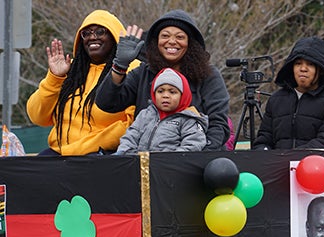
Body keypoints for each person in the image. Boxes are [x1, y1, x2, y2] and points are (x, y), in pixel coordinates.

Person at [95, 9, 230, 151]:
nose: (172, 41)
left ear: (190, 43)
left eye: (180, 37)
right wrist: (119, 66)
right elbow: (106, 103)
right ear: (156, 42)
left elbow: (219, 124)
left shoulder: (208, 75)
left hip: (195, 156)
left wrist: (197, 156)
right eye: (165, 36)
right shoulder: (143, 73)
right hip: (149, 160)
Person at [26, 10, 139, 155]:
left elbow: (131, 125)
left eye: (100, 32)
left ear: (114, 36)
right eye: (86, 33)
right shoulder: (71, 69)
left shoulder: (131, 68)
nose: (92, 37)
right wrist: (55, 78)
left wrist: (81, 148)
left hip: (103, 155)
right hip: (59, 155)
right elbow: (37, 117)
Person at [252, 36, 324, 150]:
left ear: (322, 69)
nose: (303, 68)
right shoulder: (276, 99)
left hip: (320, 166)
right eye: (298, 63)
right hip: (278, 166)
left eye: (310, 64)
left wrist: (292, 158)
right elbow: (264, 140)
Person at [115, 68, 207, 154]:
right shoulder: (145, 115)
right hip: (141, 165)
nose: (165, 95)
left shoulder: (188, 119)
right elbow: (130, 137)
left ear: (182, 95)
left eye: (172, 92)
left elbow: (193, 144)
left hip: (170, 167)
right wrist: (127, 155)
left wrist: (168, 161)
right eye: (160, 91)